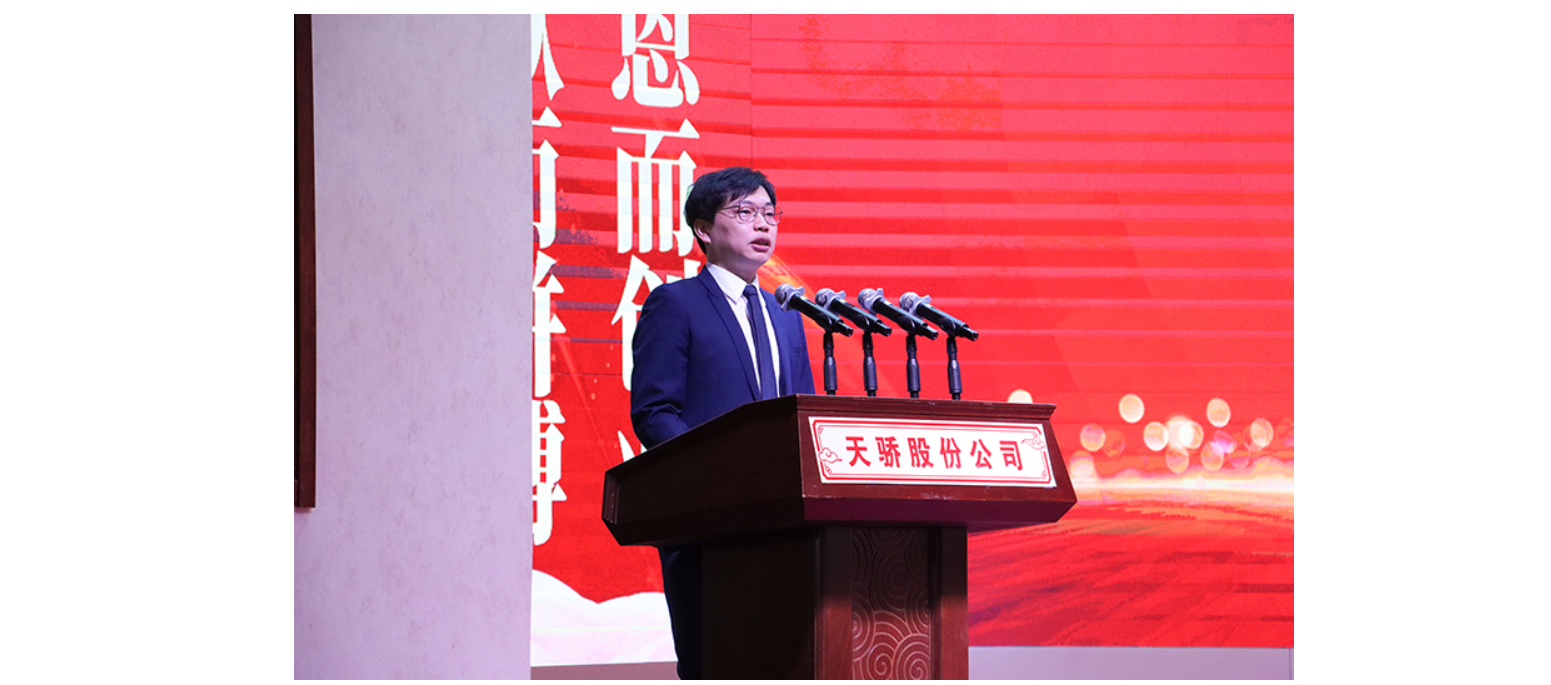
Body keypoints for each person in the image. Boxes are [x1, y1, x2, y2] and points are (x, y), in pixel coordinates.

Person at [629, 167, 815, 679]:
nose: (763, 224)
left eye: (770, 214)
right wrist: (722, 475)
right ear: (704, 229)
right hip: (709, 524)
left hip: (785, 528)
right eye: (745, 212)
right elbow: (654, 412)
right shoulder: (676, 304)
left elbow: (803, 415)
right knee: (717, 661)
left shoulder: (786, 314)